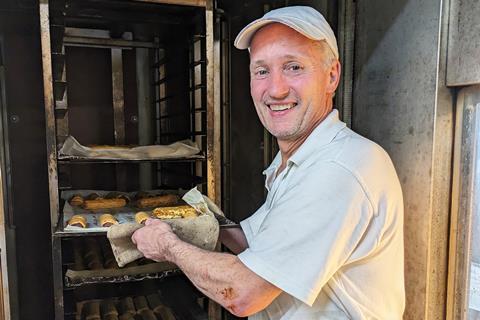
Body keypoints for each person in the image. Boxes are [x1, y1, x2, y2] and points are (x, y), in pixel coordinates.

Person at [132, 6, 405, 319]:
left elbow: (243, 293)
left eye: (293, 67)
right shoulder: (299, 160)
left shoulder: (341, 168)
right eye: (262, 71)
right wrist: (202, 218)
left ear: (332, 76)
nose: (276, 90)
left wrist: (168, 247)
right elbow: (254, 243)